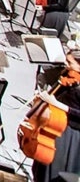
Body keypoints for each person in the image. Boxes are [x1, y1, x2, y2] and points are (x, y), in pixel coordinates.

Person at [33, 49, 80, 182]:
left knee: (54, 167)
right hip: (54, 125)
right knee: (41, 166)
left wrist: (56, 104)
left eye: (69, 62)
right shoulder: (68, 76)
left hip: (69, 133)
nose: (66, 64)